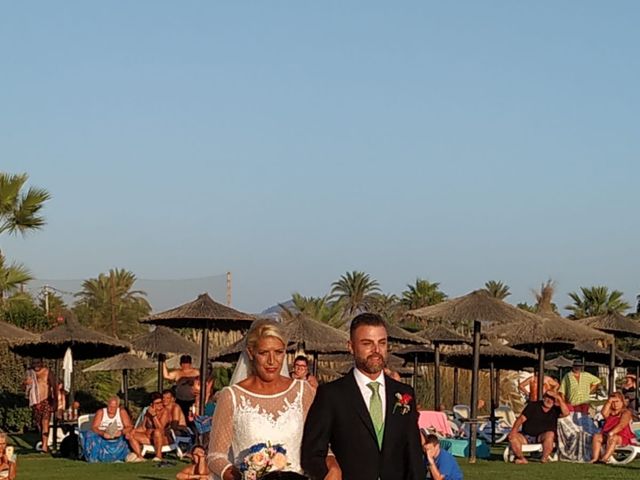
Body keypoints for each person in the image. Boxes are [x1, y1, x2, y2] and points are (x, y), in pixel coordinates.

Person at [207, 319, 336, 480]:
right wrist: (238, 476)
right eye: (263, 353)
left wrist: (333, 466)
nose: (272, 361)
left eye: (278, 352)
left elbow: (319, 444)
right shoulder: (231, 397)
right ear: (250, 353)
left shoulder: (302, 392)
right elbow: (215, 456)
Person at [302, 313, 425, 480]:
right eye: (367, 343)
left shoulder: (404, 393)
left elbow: (414, 454)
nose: (376, 350)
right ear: (351, 346)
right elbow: (312, 452)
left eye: (382, 343)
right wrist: (330, 472)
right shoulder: (331, 395)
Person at [508, 390, 569, 464]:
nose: (549, 400)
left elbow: (566, 413)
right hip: (526, 436)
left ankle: (544, 458)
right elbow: (521, 419)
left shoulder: (555, 410)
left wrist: (558, 397)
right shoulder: (533, 406)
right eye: (547, 398)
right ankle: (521, 458)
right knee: (512, 437)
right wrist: (513, 431)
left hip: (541, 437)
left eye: (552, 399)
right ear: (543, 398)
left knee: (550, 434)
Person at [82, 396, 135, 463]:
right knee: (90, 435)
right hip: (103, 434)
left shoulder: (122, 412)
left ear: (117, 407)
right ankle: (95, 457)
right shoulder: (101, 412)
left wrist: (121, 432)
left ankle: (124, 456)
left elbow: (129, 426)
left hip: (118, 434)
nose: (111, 409)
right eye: (110, 406)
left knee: (128, 435)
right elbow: (94, 427)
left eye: (114, 407)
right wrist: (102, 433)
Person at [590, 391, 635, 463]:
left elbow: (622, 425)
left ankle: (604, 459)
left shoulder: (626, 412)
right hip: (608, 435)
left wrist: (611, 433)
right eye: (613, 402)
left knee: (613, 437)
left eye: (617, 401)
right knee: (597, 436)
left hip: (622, 437)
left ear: (622, 402)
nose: (615, 404)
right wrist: (609, 401)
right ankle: (595, 458)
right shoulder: (610, 413)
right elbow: (603, 413)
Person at [23, 358, 56, 453]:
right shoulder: (30, 373)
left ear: (42, 363)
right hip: (35, 402)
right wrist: (25, 384)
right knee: (39, 424)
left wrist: (55, 402)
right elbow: (24, 388)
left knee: (45, 422)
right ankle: (43, 442)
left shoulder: (47, 372)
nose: (36, 365)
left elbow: (54, 386)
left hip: (46, 400)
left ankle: (45, 446)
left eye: (38, 363)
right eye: (34, 363)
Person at [128, 392, 171, 461]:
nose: (160, 404)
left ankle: (158, 456)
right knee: (131, 435)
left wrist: (154, 416)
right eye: (157, 403)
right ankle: (140, 456)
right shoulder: (148, 412)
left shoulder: (165, 411)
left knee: (157, 432)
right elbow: (143, 427)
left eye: (161, 402)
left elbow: (161, 429)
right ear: (151, 404)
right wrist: (133, 430)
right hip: (149, 437)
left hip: (163, 438)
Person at [164, 355, 200, 419]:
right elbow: (166, 376)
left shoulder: (196, 372)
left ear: (190, 364)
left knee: (192, 417)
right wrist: (163, 363)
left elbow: (204, 382)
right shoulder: (178, 373)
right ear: (181, 364)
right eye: (184, 363)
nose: (185, 365)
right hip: (180, 401)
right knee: (180, 417)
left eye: (187, 363)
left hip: (192, 400)